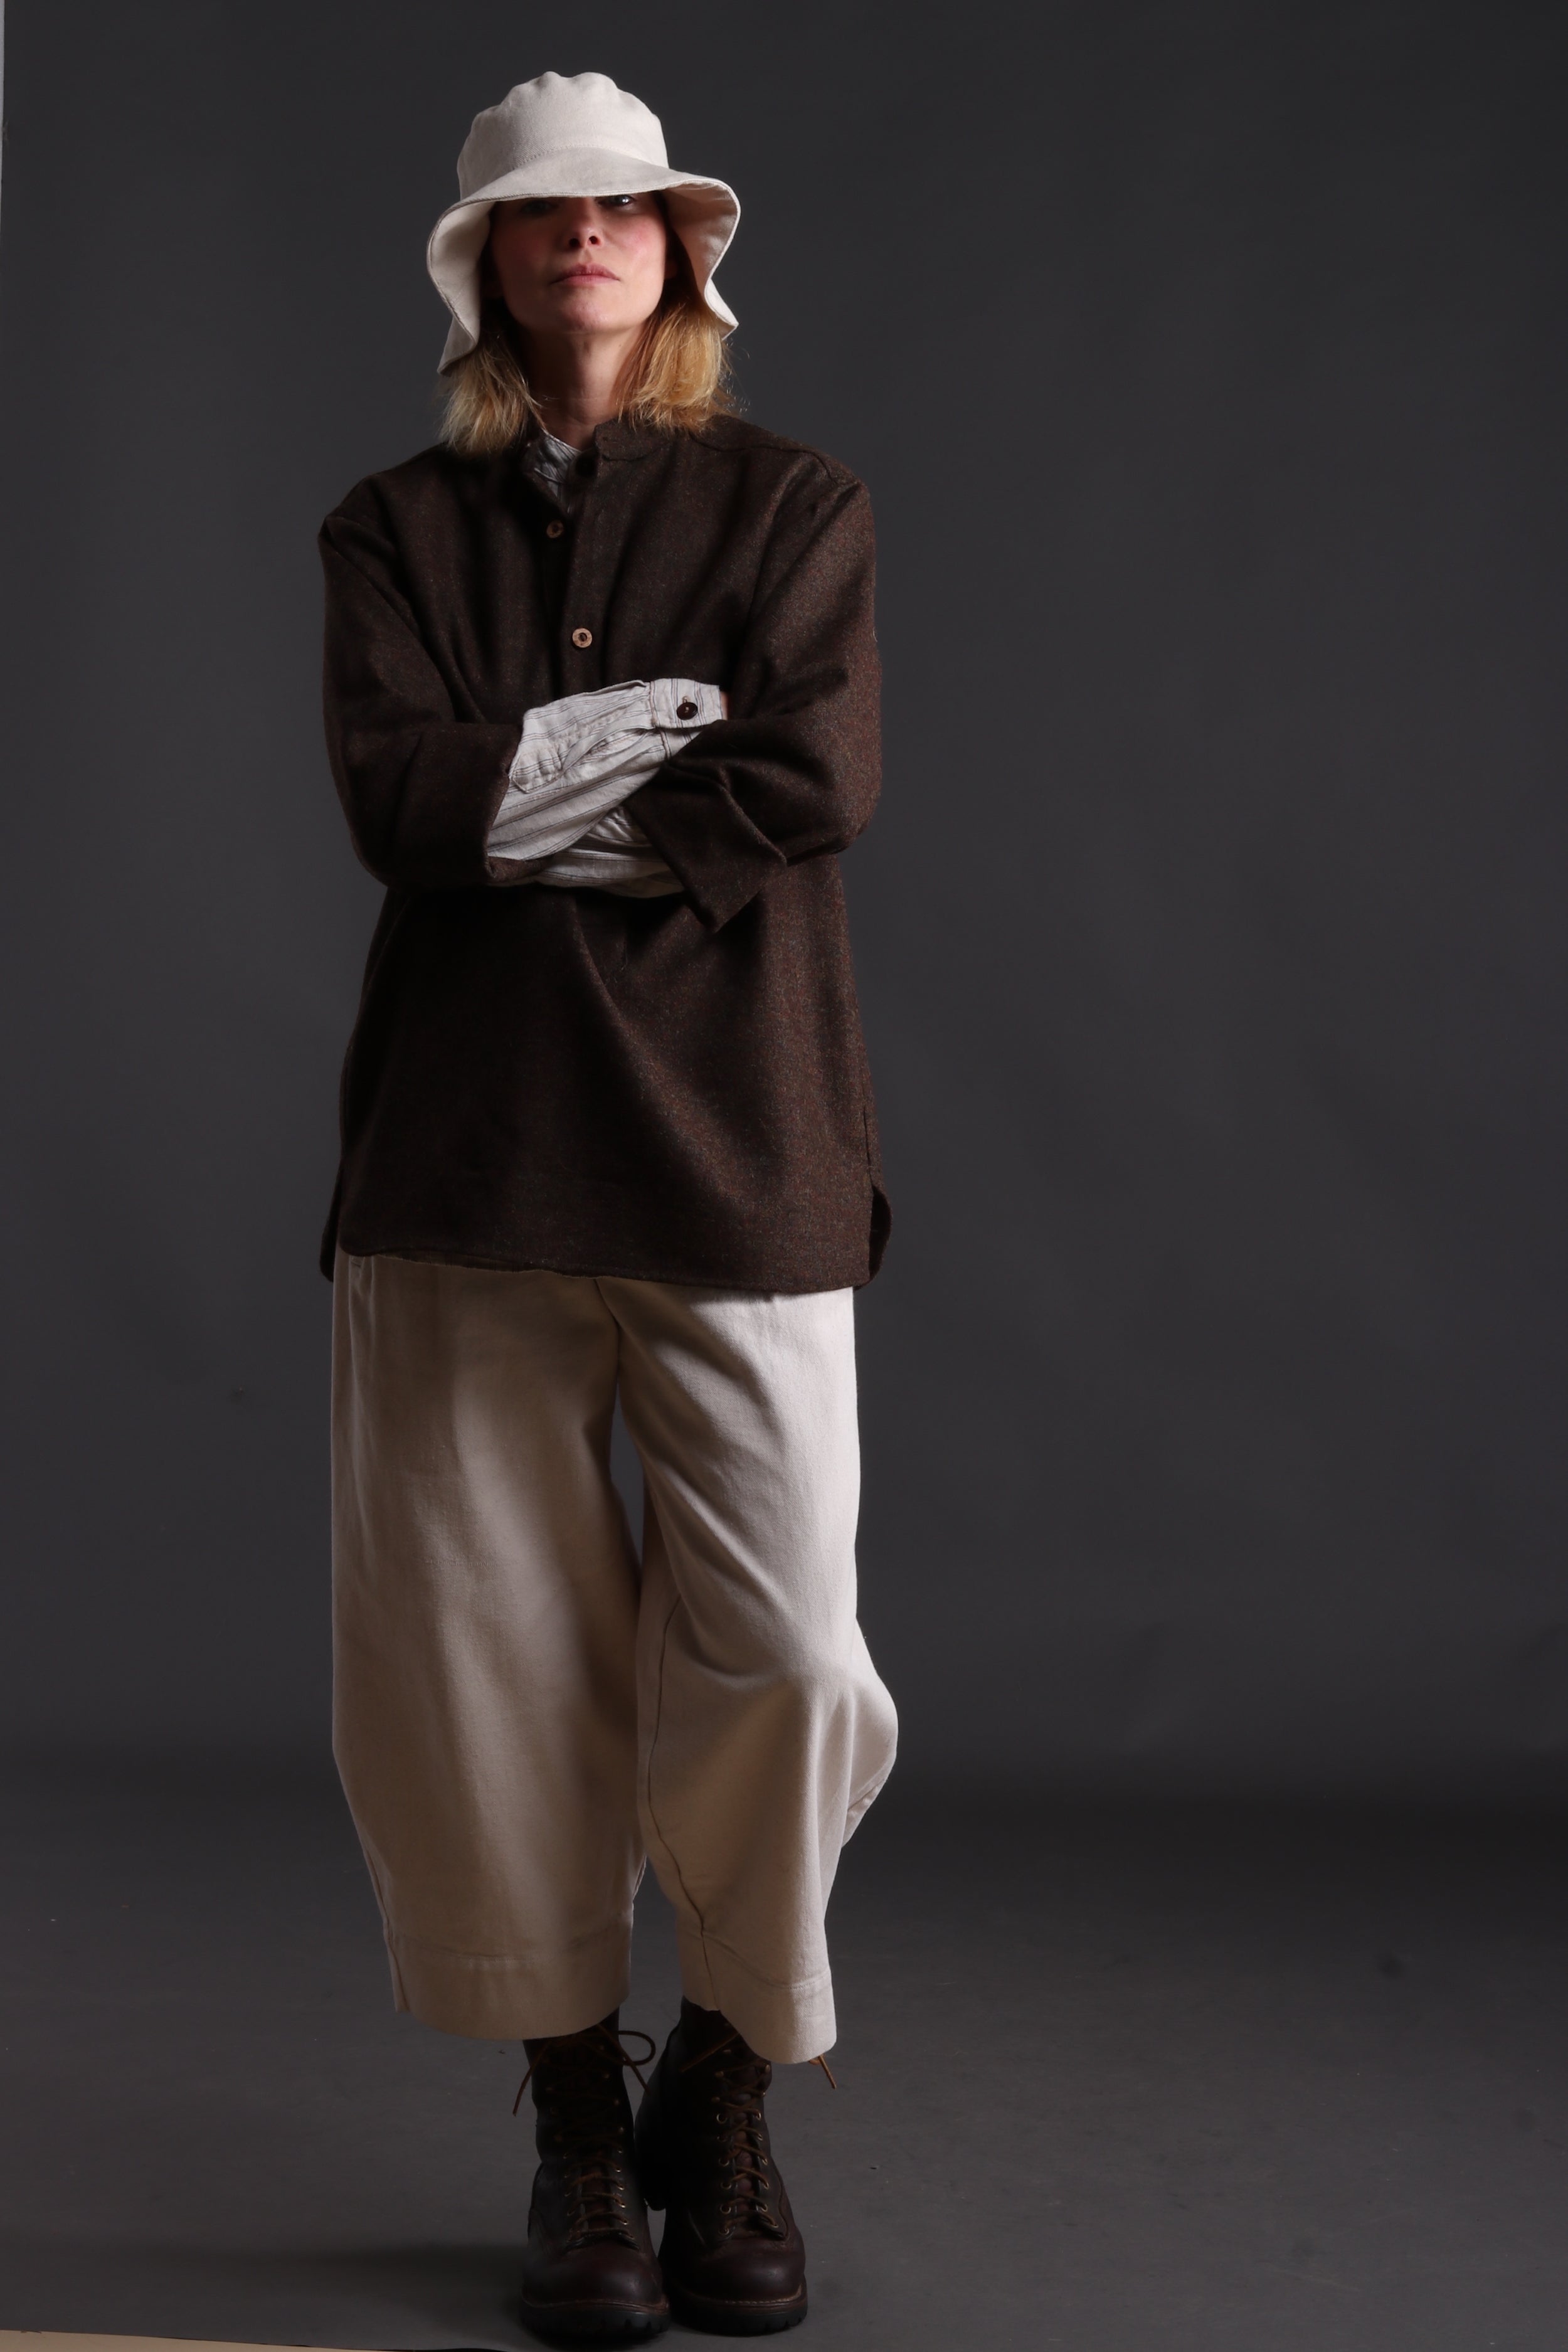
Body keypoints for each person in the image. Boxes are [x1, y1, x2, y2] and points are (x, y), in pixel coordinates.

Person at [320, 70, 897, 2343]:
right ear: (486, 258)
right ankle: (581, 2125)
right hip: (454, 1158)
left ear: (681, 250)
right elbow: (395, 806)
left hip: (745, 1147)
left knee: (790, 1654)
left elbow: (811, 772)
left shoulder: (794, 503)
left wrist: (518, 797)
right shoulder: (389, 527)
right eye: (543, 212)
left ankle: (726, 2082)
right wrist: (635, 754)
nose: (587, 234)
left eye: (625, 207)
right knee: (481, 1673)